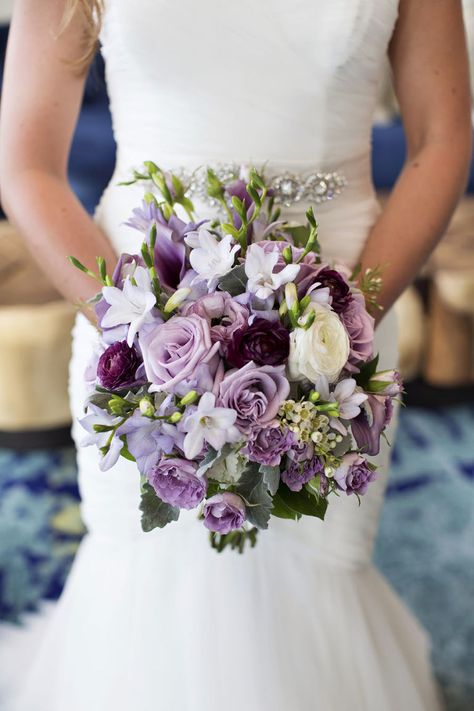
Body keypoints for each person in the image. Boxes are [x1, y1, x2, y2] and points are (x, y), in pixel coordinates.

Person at [0, 1, 471, 709]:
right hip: (132, 311)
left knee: (317, 564)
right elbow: (27, 164)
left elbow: (441, 138)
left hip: (347, 305)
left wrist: (342, 325)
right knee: (146, 567)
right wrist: (137, 330)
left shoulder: (346, 323)